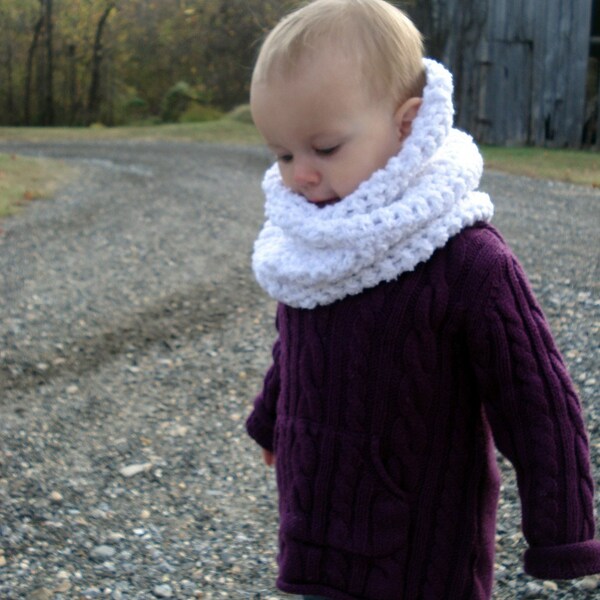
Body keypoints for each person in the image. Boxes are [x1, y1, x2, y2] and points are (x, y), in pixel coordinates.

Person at [245, 1, 600, 599]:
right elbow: (297, 342)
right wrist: (271, 420)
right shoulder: (314, 244)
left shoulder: (468, 261)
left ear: (406, 124)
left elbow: (537, 399)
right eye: (283, 154)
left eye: (325, 148)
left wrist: (563, 529)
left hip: (420, 552)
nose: (299, 175)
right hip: (314, 525)